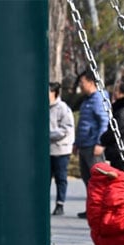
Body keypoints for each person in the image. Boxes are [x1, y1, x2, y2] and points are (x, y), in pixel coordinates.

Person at [73, 69, 109, 219]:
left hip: (94, 145)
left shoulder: (98, 99)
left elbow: (104, 122)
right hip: (84, 145)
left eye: (82, 82)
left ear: (91, 82)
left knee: (97, 180)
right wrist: (77, 143)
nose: (80, 86)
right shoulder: (88, 99)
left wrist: (101, 142)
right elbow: (83, 122)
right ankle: (92, 209)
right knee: (87, 179)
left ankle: (101, 210)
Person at [48, 82, 75, 216]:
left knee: (60, 177)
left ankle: (60, 203)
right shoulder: (44, 107)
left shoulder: (63, 108)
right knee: (45, 178)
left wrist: (48, 135)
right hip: (47, 150)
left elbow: (65, 129)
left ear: (55, 93)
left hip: (60, 150)